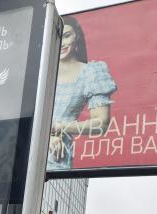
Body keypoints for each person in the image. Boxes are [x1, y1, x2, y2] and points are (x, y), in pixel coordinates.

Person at [48, 15, 117, 170]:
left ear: (76, 37)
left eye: (67, 36)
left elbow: (102, 123)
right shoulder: (42, 72)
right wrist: (47, 137)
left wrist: (60, 127)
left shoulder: (91, 72)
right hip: (24, 150)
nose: (62, 43)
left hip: (55, 158)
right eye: (58, 37)